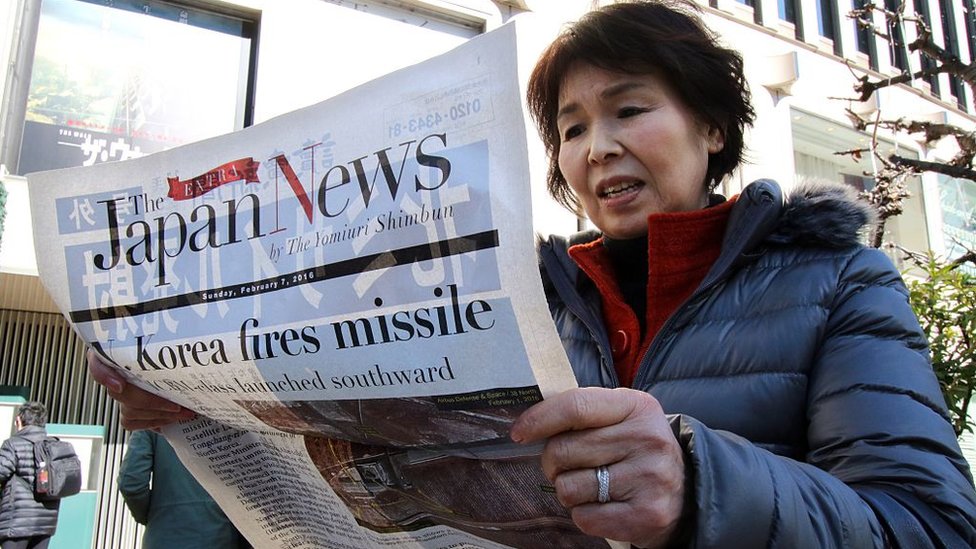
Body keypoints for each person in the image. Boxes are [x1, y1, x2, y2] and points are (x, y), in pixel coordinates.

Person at [87, 1, 976, 547]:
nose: (599, 146)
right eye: (572, 126)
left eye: (630, 108)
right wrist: (211, 410)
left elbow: (930, 525)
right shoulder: (520, 301)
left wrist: (704, 486)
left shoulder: (840, 282)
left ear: (712, 127)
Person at [118, 430, 250, 549]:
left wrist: (155, 516)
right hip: (220, 537)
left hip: (163, 539)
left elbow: (130, 483)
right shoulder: (234, 417)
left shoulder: (152, 415)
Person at [0, 402, 60, 549]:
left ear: (19, 420)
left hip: (17, 522)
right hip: (45, 523)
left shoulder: (13, 444)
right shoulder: (54, 446)